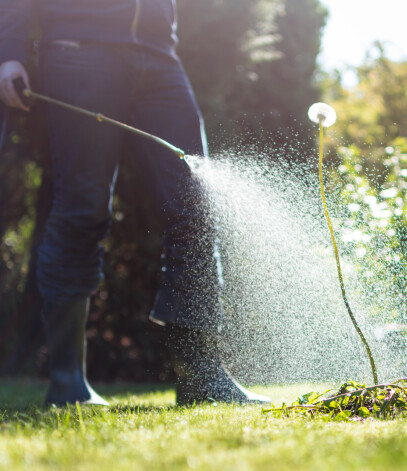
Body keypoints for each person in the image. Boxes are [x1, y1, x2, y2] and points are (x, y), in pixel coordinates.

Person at [0, 0, 270, 406]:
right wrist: (9, 51)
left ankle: (201, 377)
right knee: (82, 209)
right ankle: (67, 382)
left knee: (197, 204)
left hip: (160, 54)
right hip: (79, 48)